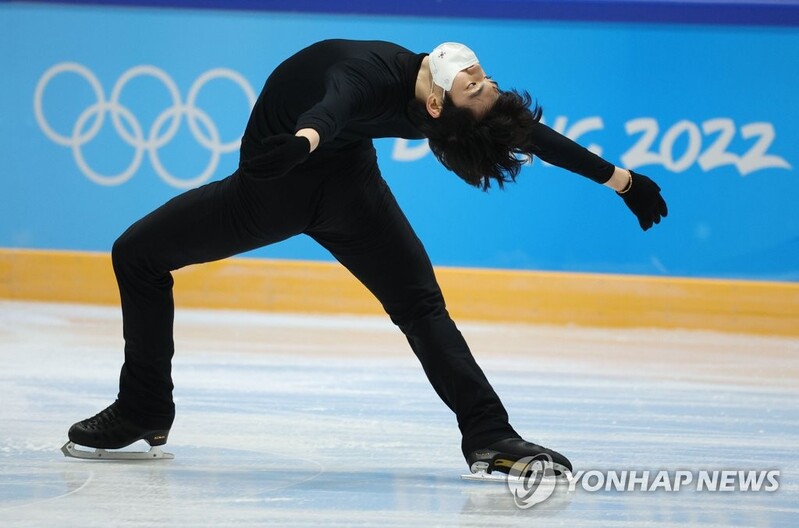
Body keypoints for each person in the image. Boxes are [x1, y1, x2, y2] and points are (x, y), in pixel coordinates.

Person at [64, 40, 667, 475]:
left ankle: (490, 434)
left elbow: (337, 97)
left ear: (437, 111)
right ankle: (487, 431)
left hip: (286, 183)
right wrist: (622, 180)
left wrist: (306, 139)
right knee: (421, 307)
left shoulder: (378, 75)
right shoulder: (435, 101)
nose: (481, 76)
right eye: (483, 81)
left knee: (135, 253)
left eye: (476, 85)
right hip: (333, 178)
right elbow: (526, 133)